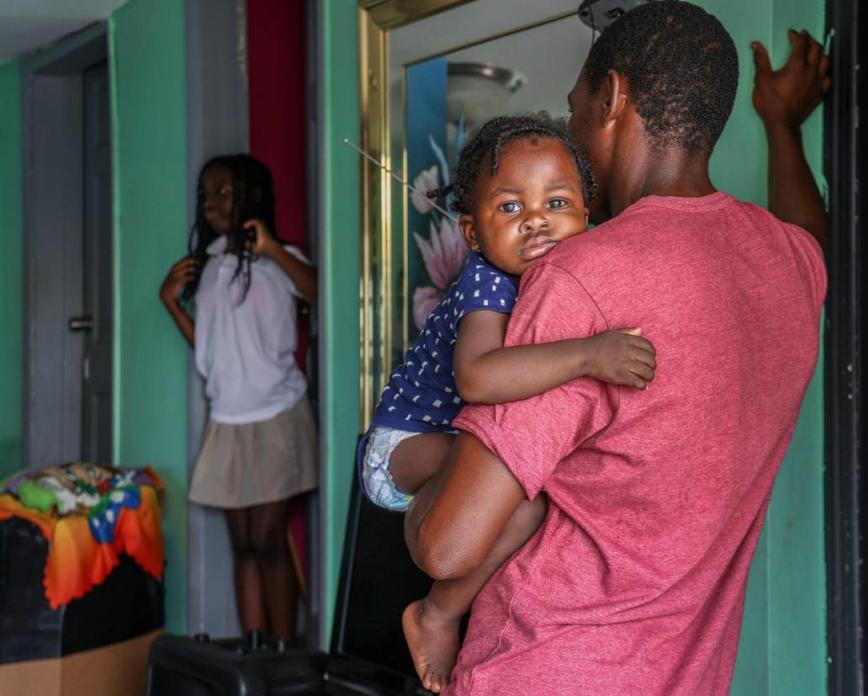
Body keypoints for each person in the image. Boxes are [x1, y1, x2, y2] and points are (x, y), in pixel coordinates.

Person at [404, 4, 831, 694]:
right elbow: (812, 232)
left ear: (613, 99)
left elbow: (446, 545)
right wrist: (782, 125)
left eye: (574, 112)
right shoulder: (788, 265)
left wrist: (406, 475)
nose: (570, 136)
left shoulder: (579, 276)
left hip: (540, 669)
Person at [358, 114, 658, 692]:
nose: (538, 220)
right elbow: (477, 377)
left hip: (440, 441)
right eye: (511, 208)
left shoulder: (555, 278)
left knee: (525, 493)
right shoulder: (487, 282)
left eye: (558, 202)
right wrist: (588, 356)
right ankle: (436, 613)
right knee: (523, 498)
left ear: (589, 216)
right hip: (400, 445)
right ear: (472, 234)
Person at [159, 154, 318, 643]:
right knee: (244, 545)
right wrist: (170, 303)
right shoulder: (207, 269)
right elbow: (211, 348)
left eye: (223, 192)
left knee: (269, 540)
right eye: (206, 194)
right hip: (226, 418)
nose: (211, 203)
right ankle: (254, 653)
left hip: (275, 415)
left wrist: (270, 248)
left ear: (251, 195)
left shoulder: (281, 260)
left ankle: (287, 654)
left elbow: (319, 293)